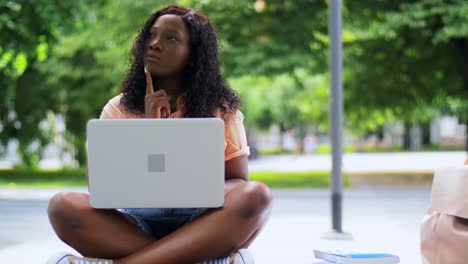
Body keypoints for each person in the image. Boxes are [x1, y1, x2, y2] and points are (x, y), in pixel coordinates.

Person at [47, 5, 272, 264]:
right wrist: (150, 129)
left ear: (193, 54)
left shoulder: (222, 110)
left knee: (257, 197)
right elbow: (98, 187)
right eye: (151, 36)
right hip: (133, 225)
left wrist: (199, 186)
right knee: (63, 206)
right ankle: (196, 257)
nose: (154, 44)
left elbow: (239, 183)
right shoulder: (118, 108)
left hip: (202, 221)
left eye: (171, 38)